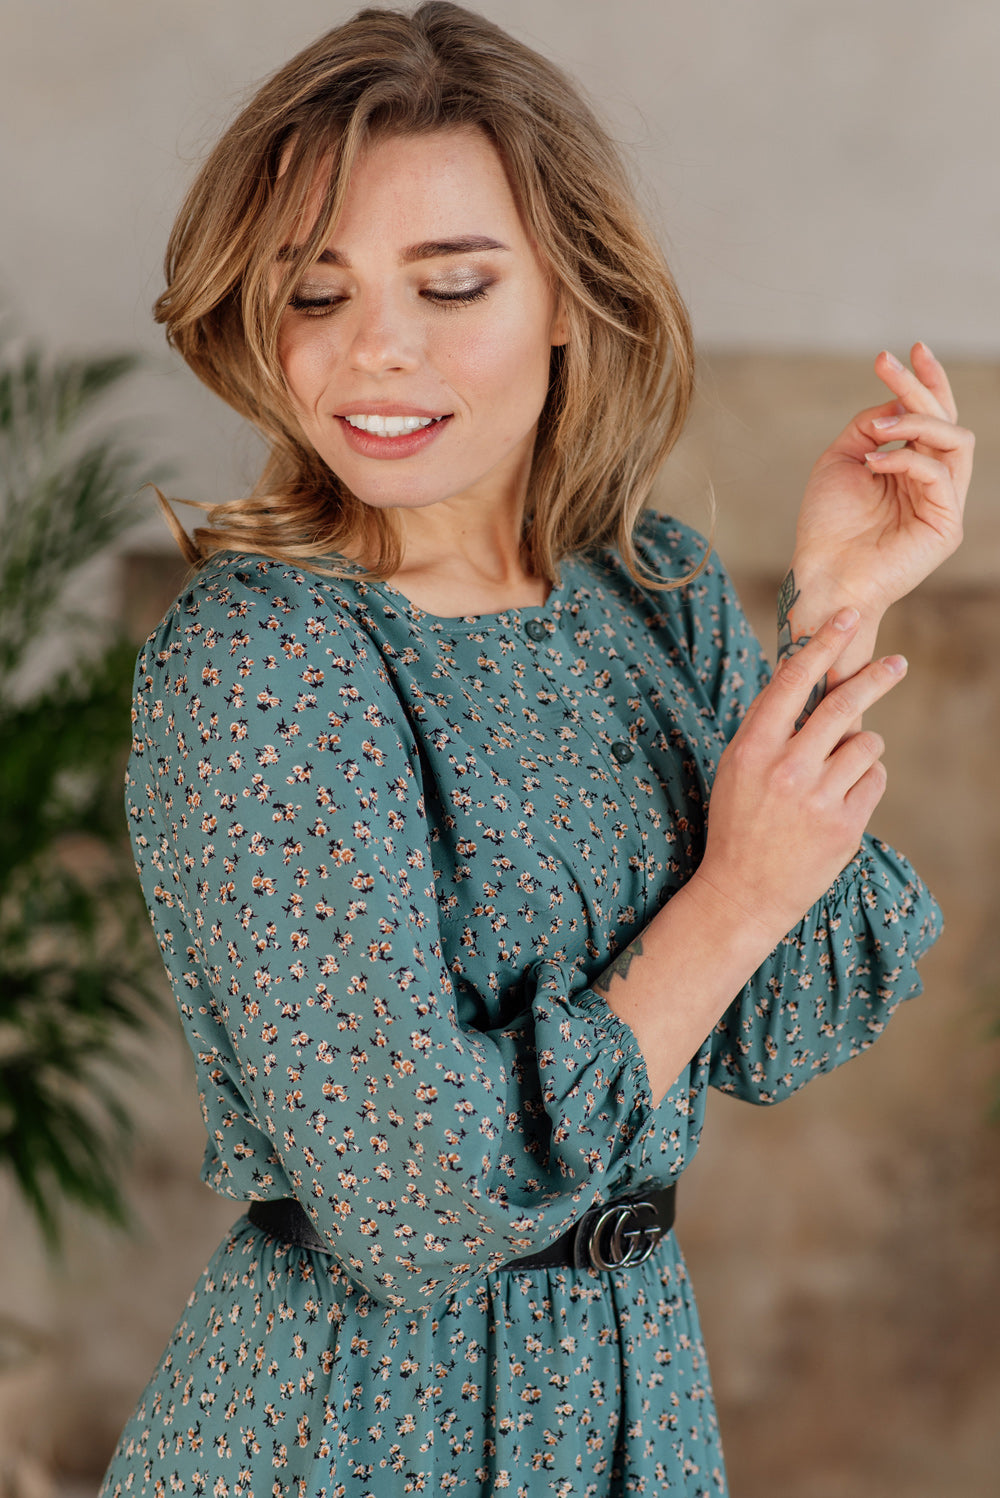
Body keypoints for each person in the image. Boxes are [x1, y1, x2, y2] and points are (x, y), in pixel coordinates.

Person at [99, 4, 973, 1494]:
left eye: (452, 285)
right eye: (315, 291)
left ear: (570, 294)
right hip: (357, 1425)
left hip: (632, 1385)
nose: (377, 348)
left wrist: (833, 611)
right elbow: (412, 1210)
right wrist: (730, 897)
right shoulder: (260, 665)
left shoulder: (652, 589)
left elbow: (789, 1020)